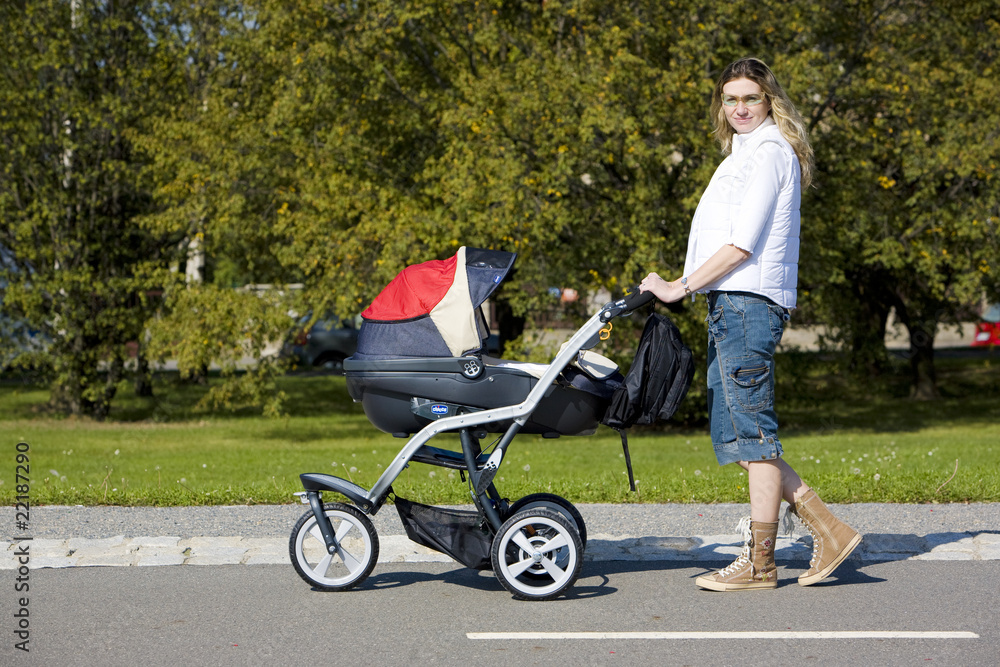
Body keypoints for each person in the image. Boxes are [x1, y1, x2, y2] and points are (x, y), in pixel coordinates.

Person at [640, 57, 861, 591]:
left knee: (755, 439)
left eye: (750, 98)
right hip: (733, 306)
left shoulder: (768, 153)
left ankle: (762, 565)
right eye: (730, 99)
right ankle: (828, 530)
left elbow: (743, 244)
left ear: (770, 102)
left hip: (747, 303)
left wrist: (677, 286)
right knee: (742, 438)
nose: (739, 108)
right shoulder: (742, 153)